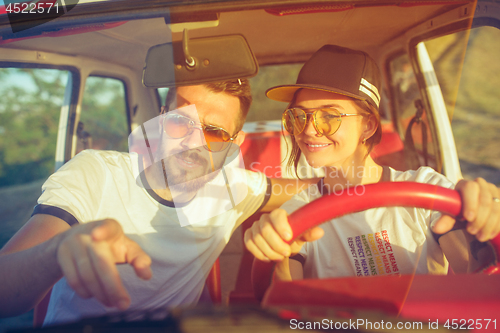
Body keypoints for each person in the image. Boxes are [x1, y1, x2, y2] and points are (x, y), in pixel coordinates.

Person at [0, 80, 318, 324]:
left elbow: (309, 189)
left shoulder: (233, 189)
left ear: (235, 143)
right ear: (162, 119)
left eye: (215, 132)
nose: (193, 142)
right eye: (182, 122)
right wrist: (57, 250)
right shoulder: (96, 173)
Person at [244, 45, 500, 281]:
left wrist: (483, 225)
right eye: (298, 116)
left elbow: (473, 272)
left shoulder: (427, 188)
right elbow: (285, 302)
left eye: (329, 116)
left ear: (368, 125)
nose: (308, 130)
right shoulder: (297, 212)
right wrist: (274, 254)